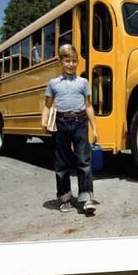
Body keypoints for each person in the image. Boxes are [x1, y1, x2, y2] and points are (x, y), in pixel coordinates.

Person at [41, 44, 99, 215]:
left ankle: (86, 198)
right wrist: (43, 121)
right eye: (67, 61)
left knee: (84, 161)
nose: (71, 64)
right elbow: (47, 105)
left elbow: (88, 106)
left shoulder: (83, 82)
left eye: (74, 61)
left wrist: (94, 128)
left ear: (77, 62)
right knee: (62, 163)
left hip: (80, 121)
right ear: (61, 62)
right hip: (61, 123)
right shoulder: (53, 84)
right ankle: (65, 198)